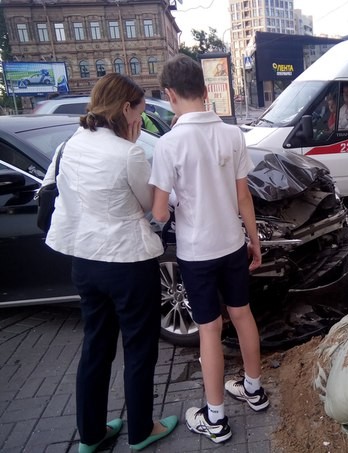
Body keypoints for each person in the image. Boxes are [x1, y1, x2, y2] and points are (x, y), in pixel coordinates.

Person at [42, 73, 177, 453]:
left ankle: (91, 434)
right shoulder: (127, 152)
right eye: (140, 109)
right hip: (127, 261)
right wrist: (133, 145)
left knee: (95, 346)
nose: (141, 117)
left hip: (84, 261)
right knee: (139, 347)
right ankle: (140, 431)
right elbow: (151, 206)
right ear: (125, 108)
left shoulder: (70, 144)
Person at [150, 54, 268, 444]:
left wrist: (177, 203)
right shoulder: (232, 135)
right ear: (205, 90)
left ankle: (215, 417)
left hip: (197, 252)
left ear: (169, 95)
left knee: (209, 329)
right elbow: (244, 198)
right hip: (233, 243)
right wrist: (255, 241)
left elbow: (159, 210)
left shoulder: (168, 145)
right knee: (242, 314)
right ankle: (254, 389)